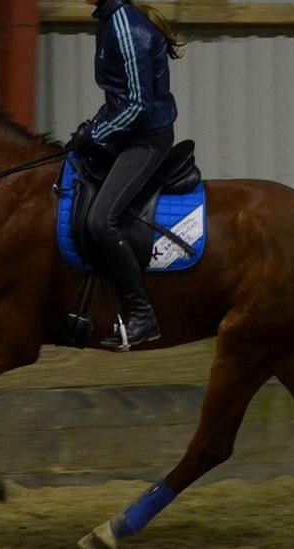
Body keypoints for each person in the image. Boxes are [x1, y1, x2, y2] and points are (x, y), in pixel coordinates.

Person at [66, 0, 184, 349]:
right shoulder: (110, 21)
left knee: (102, 220)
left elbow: (136, 105)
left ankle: (141, 314)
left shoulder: (125, 27)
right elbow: (118, 99)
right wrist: (94, 127)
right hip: (127, 133)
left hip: (146, 138)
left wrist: (96, 134)